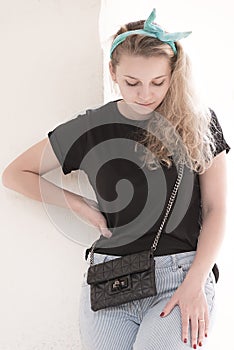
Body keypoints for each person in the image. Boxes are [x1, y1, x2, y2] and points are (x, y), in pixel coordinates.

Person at [2, 8, 230, 350]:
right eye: (132, 83)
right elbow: (15, 174)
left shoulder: (198, 121)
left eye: (158, 82)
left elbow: (217, 208)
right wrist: (79, 205)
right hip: (109, 279)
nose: (145, 93)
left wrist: (196, 281)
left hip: (180, 275)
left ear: (173, 74)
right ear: (113, 72)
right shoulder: (92, 127)